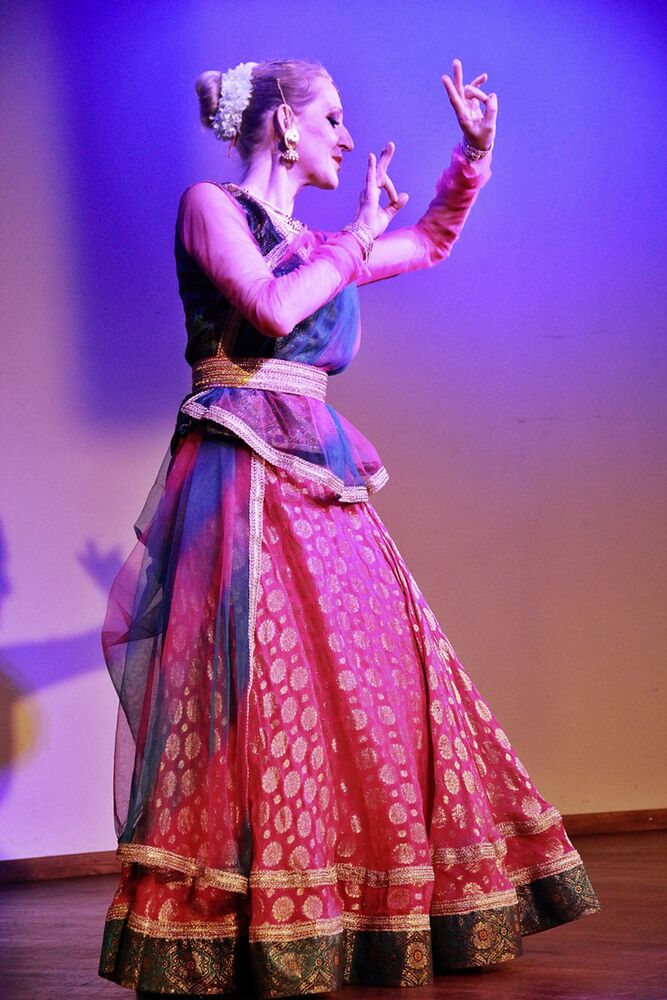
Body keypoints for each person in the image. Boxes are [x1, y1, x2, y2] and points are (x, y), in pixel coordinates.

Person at [98, 57, 600, 997]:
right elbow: (269, 305)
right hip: (242, 466)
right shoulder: (211, 206)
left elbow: (431, 241)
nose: (345, 134)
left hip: (317, 466)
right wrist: (356, 235)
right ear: (285, 125)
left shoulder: (323, 240)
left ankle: (365, 908)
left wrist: (472, 157)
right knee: (262, 682)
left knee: (372, 674)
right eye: (331, 117)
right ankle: (247, 919)